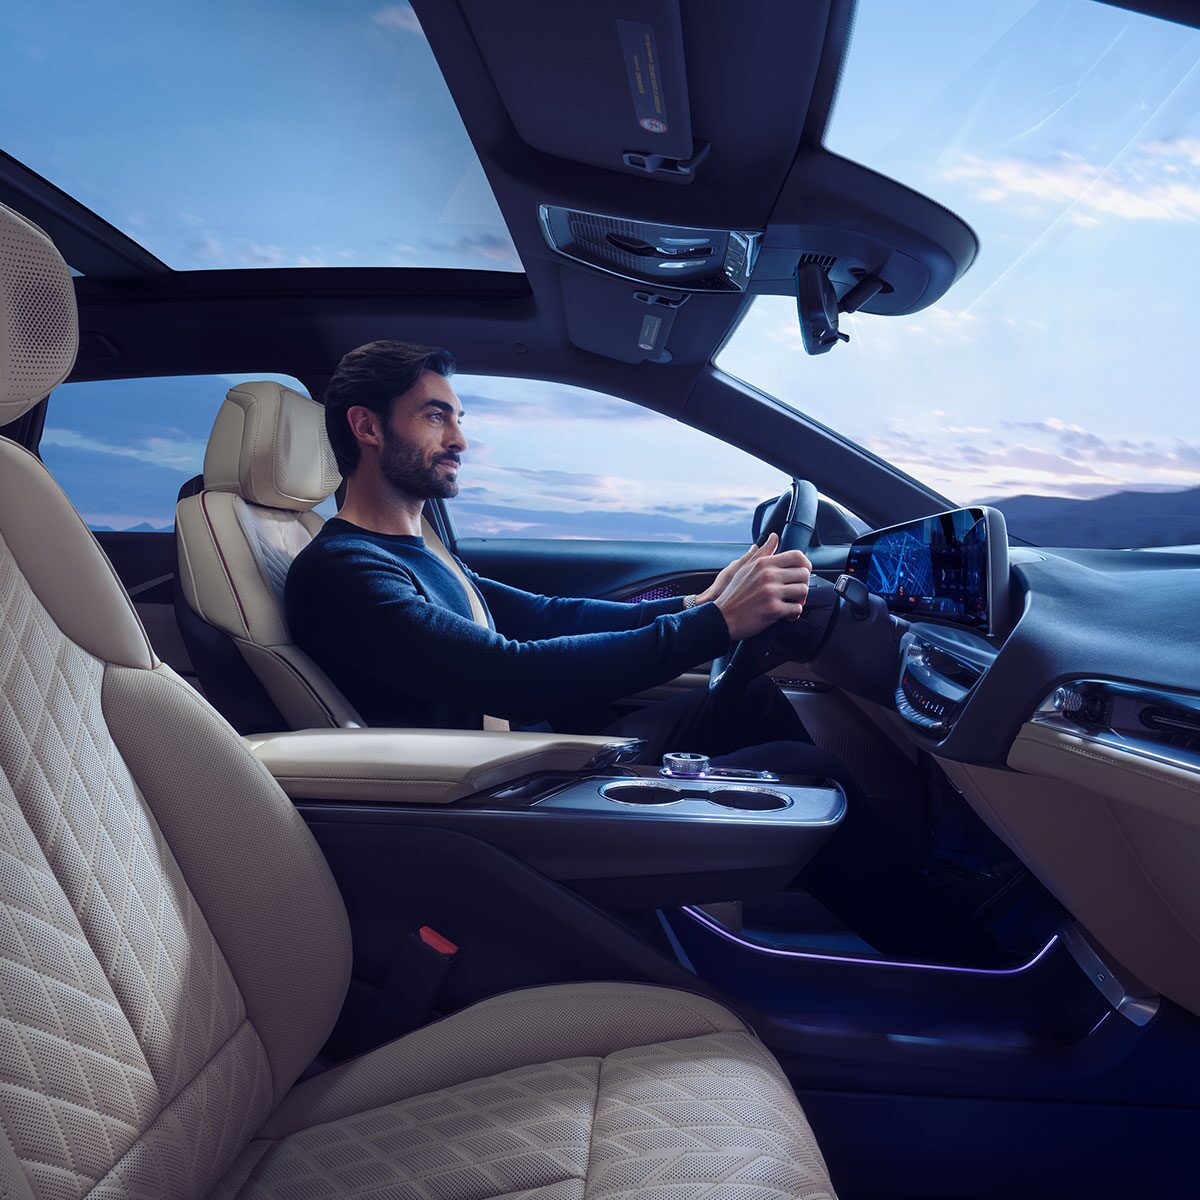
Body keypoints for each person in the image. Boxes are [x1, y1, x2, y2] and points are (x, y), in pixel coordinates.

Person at [286, 340, 990, 962]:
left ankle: (927, 902)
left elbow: (544, 616)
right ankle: (963, 956)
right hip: (490, 797)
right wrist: (716, 625)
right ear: (367, 427)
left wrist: (694, 607)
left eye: (459, 418)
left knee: (747, 698)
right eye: (435, 416)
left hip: (523, 755)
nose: (460, 438)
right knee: (799, 769)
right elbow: (509, 676)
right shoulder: (346, 572)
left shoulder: (413, 550)